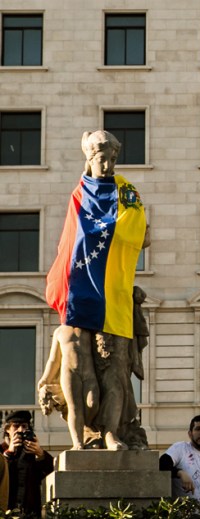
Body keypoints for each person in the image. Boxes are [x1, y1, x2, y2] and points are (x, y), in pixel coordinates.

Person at [45, 130, 150, 451]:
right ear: (90, 159)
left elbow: (141, 231)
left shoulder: (126, 191)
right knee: (85, 380)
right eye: (102, 159)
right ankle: (87, 436)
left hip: (114, 293)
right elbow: (70, 242)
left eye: (113, 159)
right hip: (82, 293)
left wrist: (109, 230)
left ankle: (111, 433)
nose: (108, 165)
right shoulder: (79, 195)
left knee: (116, 371)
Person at [37, 326, 100, 450]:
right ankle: (78, 442)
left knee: (92, 403)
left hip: (89, 372)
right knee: (74, 407)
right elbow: (53, 360)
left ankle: (89, 431)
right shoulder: (59, 331)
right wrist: (45, 378)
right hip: (69, 373)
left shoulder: (89, 328)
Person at [1, 411, 54, 517]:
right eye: (16, 426)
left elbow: (51, 473)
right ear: (7, 429)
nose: (20, 430)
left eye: (24, 426)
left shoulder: (32, 452)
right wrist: (9, 453)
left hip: (30, 511)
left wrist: (41, 455)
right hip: (6, 509)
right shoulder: (1, 450)